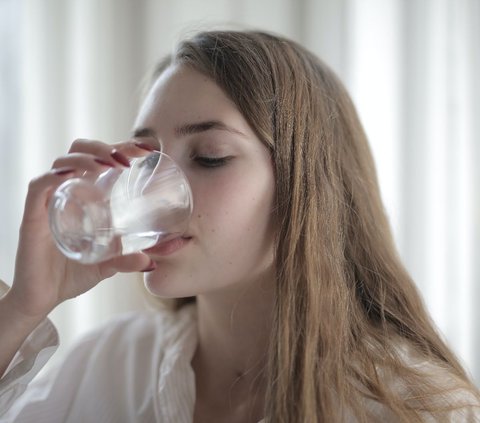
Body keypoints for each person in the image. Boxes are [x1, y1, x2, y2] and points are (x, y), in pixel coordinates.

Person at [0, 30, 479, 423]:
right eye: (146, 161)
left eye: (210, 158)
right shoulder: (109, 367)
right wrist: (21, 309)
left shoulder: (419, 410)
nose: (151, 192)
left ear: (305, 187)